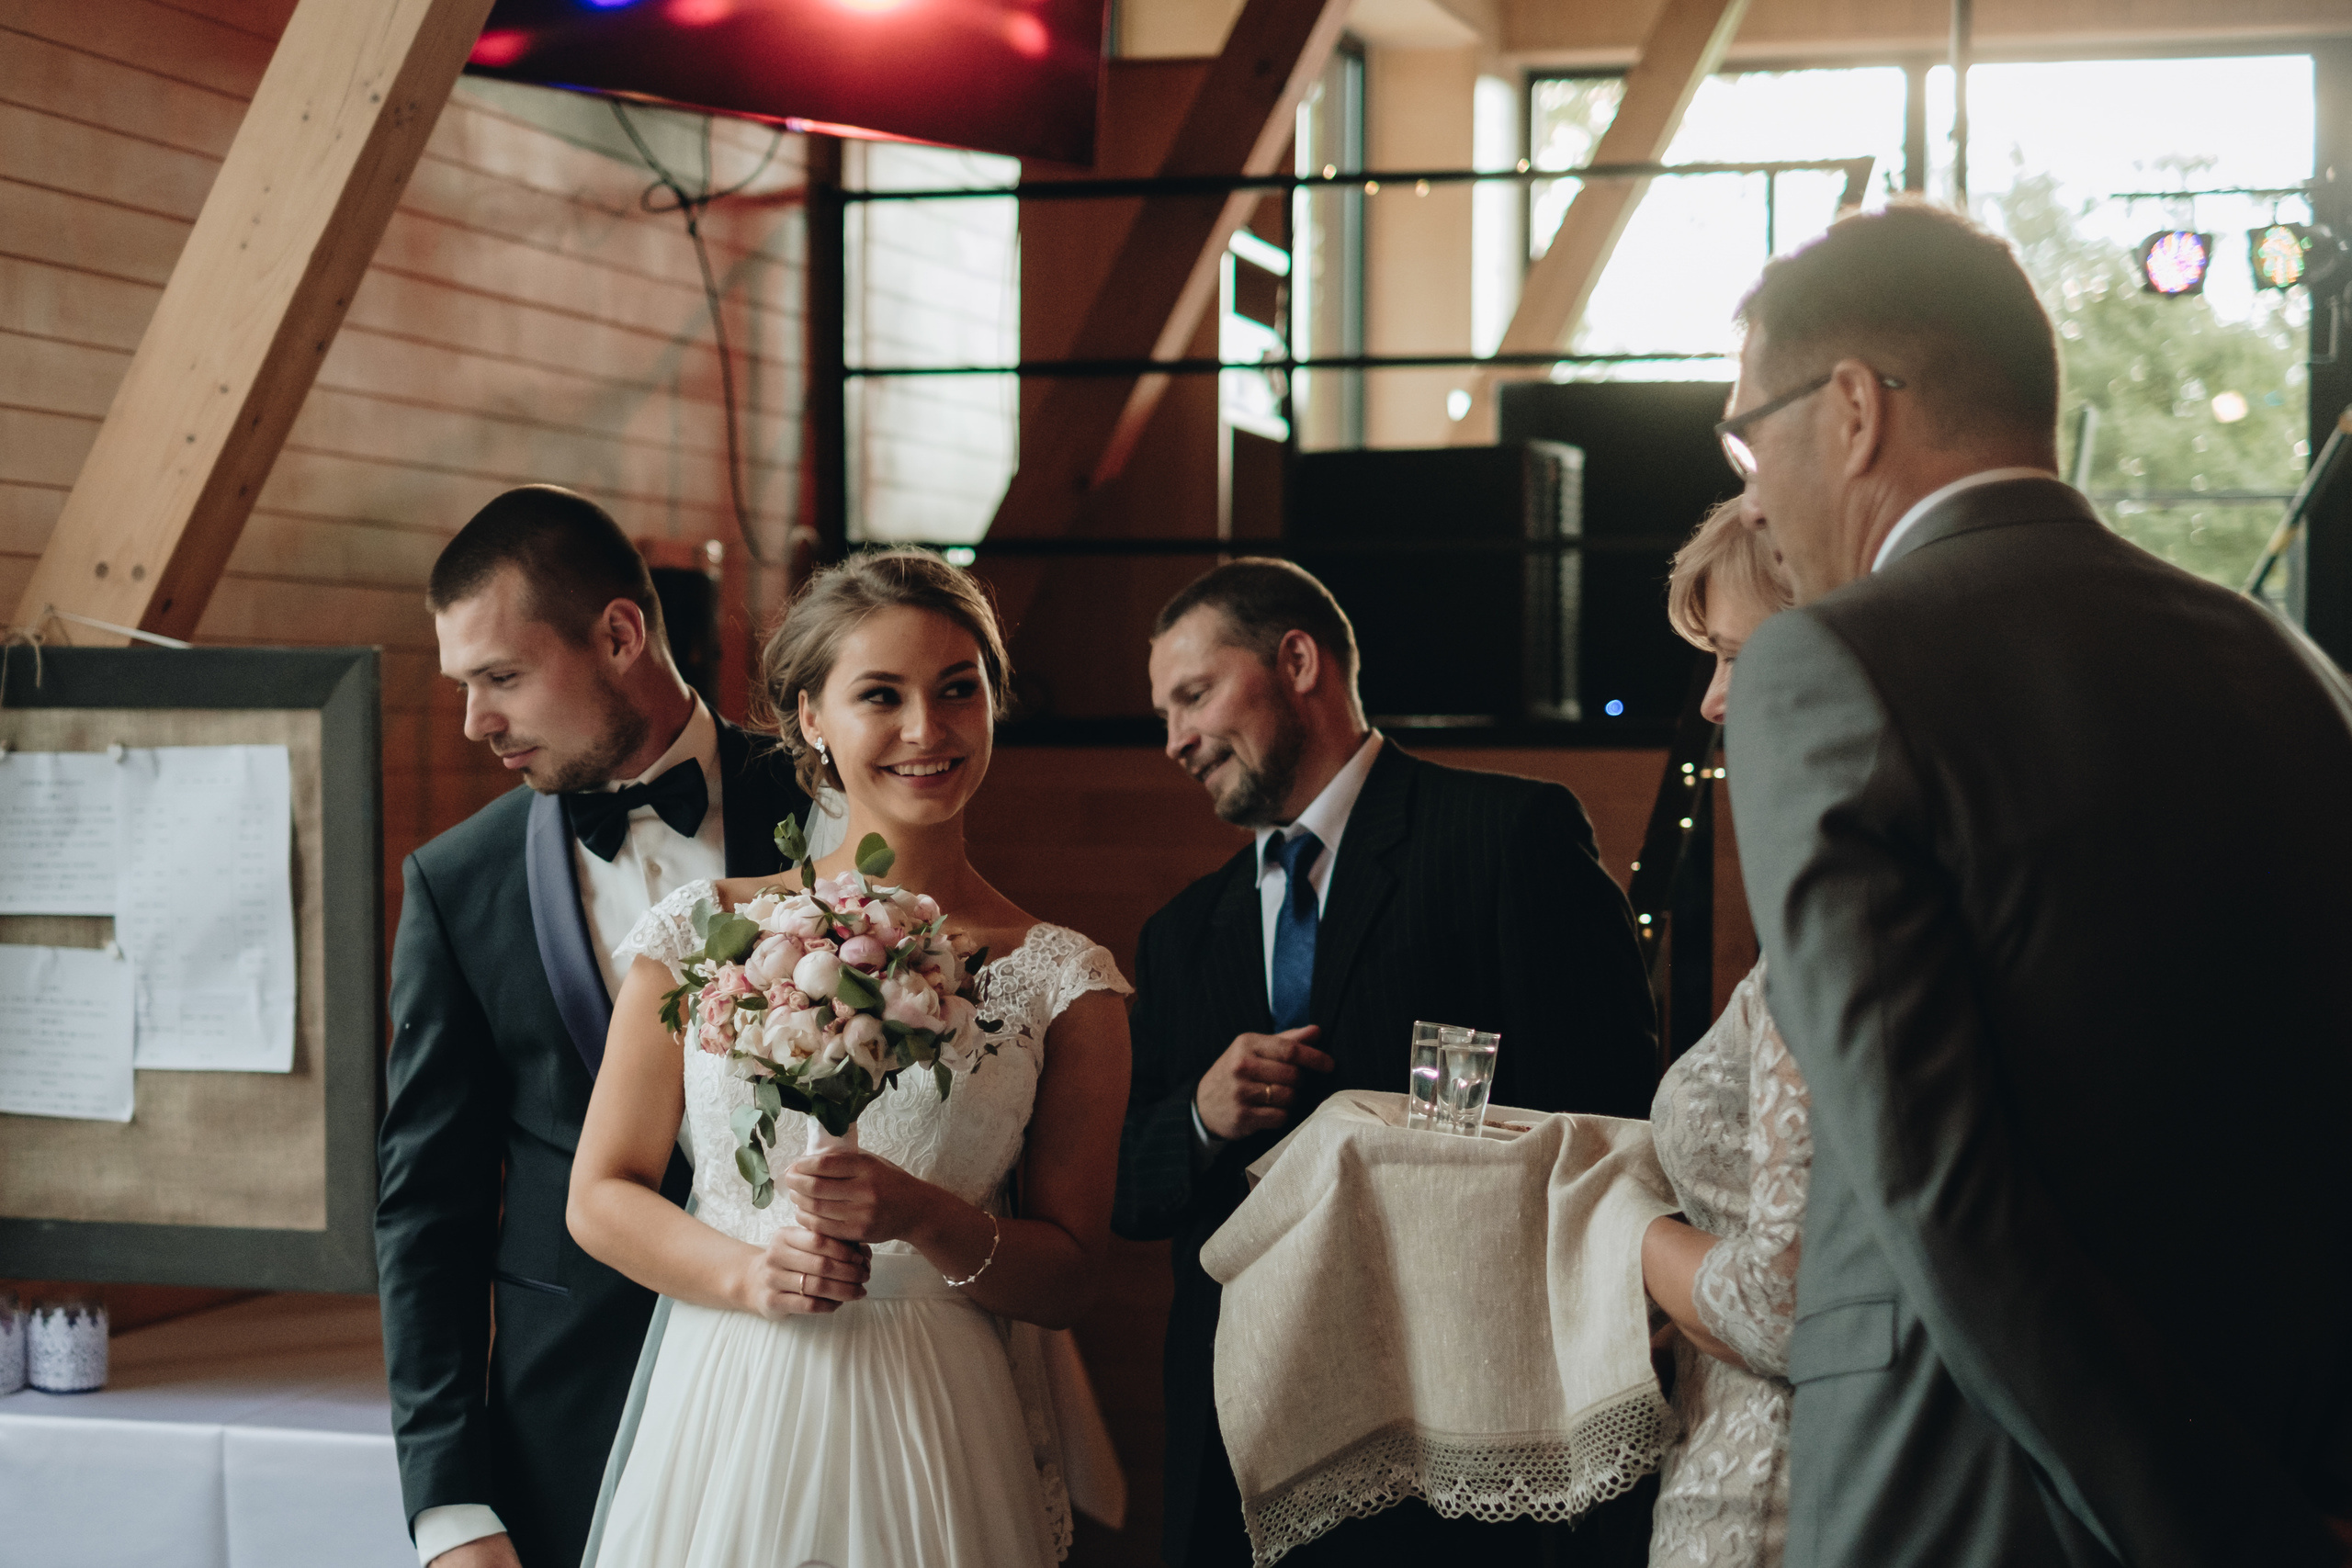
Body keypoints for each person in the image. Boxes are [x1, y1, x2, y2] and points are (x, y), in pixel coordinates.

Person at [1722, 200, 2352, 1567]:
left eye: (1747, 431)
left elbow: (1938, 1190)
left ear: (1850, 410)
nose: (1753, 489)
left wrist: (2214, 1532)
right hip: (2286, 1468)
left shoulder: (1829, 667)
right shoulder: (2284, 667)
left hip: (1967, 1499)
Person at [568, 551, 1134, 1566]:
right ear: (812, 719)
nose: (928, 730)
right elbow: (599, 1194)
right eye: (882, 695)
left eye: (959, 690)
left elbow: (1069, 1281)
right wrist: (748, 1276)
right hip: (728, 1392)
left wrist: (922, 1216)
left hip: (935, 1417)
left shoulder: (1064, 983)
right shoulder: (705, 935)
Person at [1117, 558, 1662, 1568]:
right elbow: (1125, 1188)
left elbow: (1614, 1112)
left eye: (1192, 696)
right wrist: (1196, 1118)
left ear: (1296, 660)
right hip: (1244, 1441)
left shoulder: (1506, 836)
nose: (1174, 741)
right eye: (1163, 714)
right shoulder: (1181, 934)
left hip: (1460, 1415)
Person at [379, 486, 812, 1568]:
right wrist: (449, 1506)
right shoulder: (455, 885)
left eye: (502, 677)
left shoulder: (831, 812)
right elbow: (427, 1209)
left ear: (620, 633)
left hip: (814, 1388)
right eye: (464, 685)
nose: (476, 721)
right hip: (570, 1421)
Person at [1639, 496, 1809, 1568]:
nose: (1709, 700)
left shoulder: (1836, 931)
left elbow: (1781, 1307)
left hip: (1780, 1498)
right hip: (1724, 1447)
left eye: (1736, 657)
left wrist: (1614, 1225)